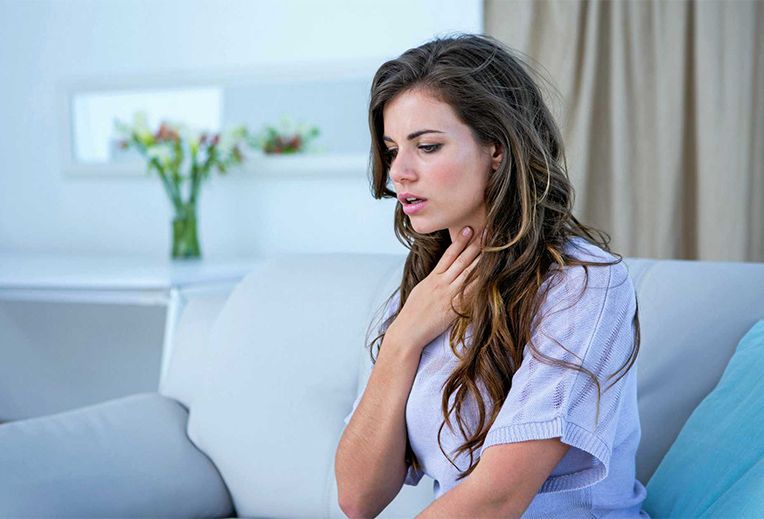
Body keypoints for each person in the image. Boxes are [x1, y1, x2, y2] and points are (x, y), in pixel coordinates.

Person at [335, 33, 649, 519]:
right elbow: (358, 498)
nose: (399, 172)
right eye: (393, 150)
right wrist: (402, 339)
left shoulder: (584, 283)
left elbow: (498, 499)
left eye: (428, 146)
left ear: (496, 148)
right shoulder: (427, 287)